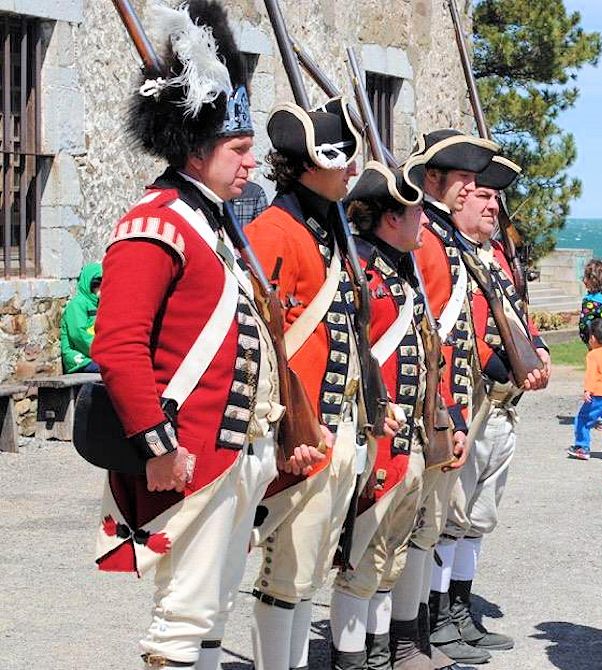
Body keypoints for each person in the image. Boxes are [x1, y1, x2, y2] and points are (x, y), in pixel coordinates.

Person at [89, 3, 327, 668]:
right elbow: (118, 345)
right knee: (182, 622)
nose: (252, 164)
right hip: (187, 457)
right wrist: (158, 447)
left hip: (233, 457)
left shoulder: (214, 224)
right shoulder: (156, 222)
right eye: (239, 150)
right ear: (197, 150)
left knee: (213, 612)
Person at [243, 97, 387, 670]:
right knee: (288, 572)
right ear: (310, 164)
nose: (353, 171)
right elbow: (261, 340)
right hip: (300, 432)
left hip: (340, 428)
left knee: (310, 573)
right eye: (342, 161)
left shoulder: (330, 231)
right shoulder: (274, 231)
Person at [329, 158, 464, 670]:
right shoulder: (361, 271)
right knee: (361, 558)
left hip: (407, 438)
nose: (423, 224)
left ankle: (382, 654)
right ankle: (350, 658)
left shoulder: (398, 272)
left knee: (390, 557)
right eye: (413, 215)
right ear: (389, 218)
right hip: (376, 437)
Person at [420, 150, 551, 664]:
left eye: (496, 195)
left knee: (478, 518)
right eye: (484, 194)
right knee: (448, 518)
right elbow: (456, 333)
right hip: (469, 404)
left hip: (501, 407)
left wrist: (536, 349)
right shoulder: (446, 252)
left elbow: (516, 315)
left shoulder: (493, 256)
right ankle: (436, 618)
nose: (494, 205)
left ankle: (460, 610)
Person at [569, 319, 602, 460]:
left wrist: (587, 390)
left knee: (583, 419)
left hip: (599, 394)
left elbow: (592, 374)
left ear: (593, 338)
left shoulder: (593, 354)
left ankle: (582, 447)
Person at [60, 261, 102, 373]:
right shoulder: (78, 304)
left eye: (104, 283)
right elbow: (78, 334)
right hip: (80, 358)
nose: (100, 288)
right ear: (88, 284)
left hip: (97, 355)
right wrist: (102, 351)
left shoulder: (99, 304)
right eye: (96, 284)